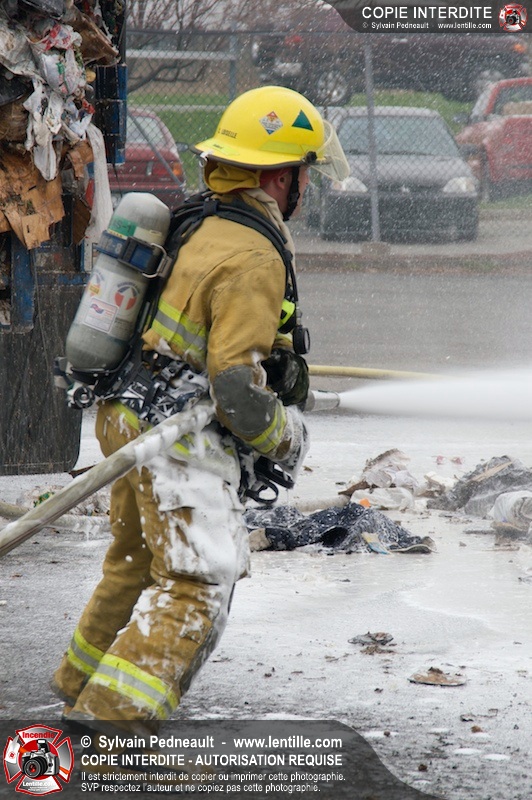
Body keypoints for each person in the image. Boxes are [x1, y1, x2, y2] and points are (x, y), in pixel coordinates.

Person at [51, 85, 349, 735]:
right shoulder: (255, 254)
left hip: (126, 415)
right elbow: (235, 387)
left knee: (134, 562)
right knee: (197, 580)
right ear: (279, 176)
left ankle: (78, 682)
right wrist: (286, 440)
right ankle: (109, 718)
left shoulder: (202, 219)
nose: (307, 188)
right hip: (176, 438)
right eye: (304, 174)